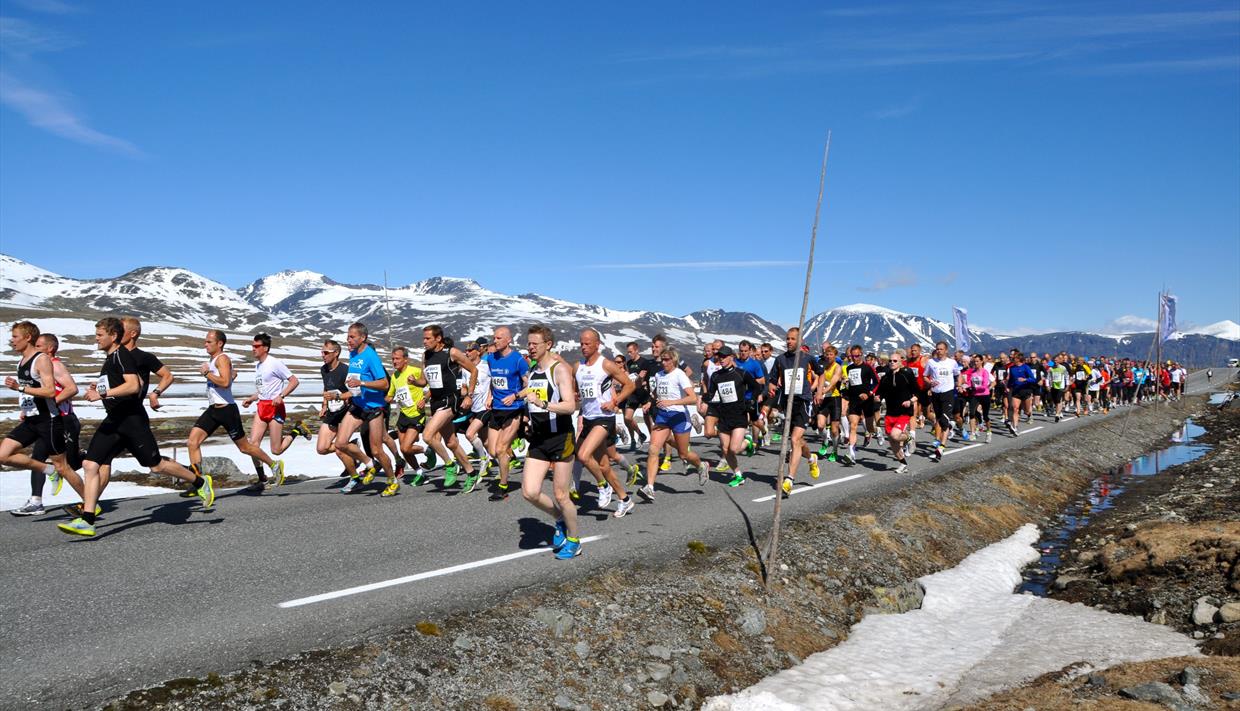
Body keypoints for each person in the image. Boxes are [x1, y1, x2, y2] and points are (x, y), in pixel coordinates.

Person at [58, 317, 214, 537]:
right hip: (114, 420)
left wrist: (103, 394)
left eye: (100, 335)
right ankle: (88, 519)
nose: (96, 339)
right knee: (90, 464)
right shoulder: (112, 357)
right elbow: (120, 383)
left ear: (113, 336)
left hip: (132, 421)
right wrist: (100, 387)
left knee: (156, 466)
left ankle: (199, 481)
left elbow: (134, 386)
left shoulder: (122, 356)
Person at [186, 330, 285, 489]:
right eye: (205, 342)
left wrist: (207, 373)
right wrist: (229, 375)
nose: (205, 344)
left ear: (220, 344)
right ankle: (199, 483)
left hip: (226, 411)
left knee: (245, 448)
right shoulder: (214, 360)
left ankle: (273, 464)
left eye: (209, 342)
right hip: (213, 410)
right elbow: (227, 379)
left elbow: (224, 383)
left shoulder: (222, 358)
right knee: (192, 442)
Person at [518, 325, 583, 559]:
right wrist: (527, 416)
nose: (531, 347)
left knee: (561, 495)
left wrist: (543, 404)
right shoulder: (533, 371)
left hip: (560, 437)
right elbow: (531, 399)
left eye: (535, 344)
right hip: (539, 437)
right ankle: (559, 519)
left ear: (548, 345)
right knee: (530, 492)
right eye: (529, 343)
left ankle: (574, 540)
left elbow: (570, 406)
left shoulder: (559, 370)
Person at [1, 322, 79, 516]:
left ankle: (90, 504)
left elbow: (63, 390)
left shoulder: (48, 362)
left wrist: (26, 392)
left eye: (15, 336)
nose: (12, 340)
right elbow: (31, 391)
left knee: (64, 466)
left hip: (55, 419)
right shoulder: (24, 361)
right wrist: (27, 406)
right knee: (13, 456)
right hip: (34, 418)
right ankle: (42, 487)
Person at [573, 328, 638, 516]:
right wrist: (576, 395)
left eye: (587, 343)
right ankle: (625, 500)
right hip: (588, 418)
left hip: (604, 418)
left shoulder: (606, 365)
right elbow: (577, 390)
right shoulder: (577, 367)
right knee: (603, 465)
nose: (583, 347)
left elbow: (629, 385)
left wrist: (615, 402)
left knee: (583, 455)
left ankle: (603, 486)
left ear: (597, 344)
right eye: (581, 343)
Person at [414, 325, 477, 488]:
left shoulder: (452, 352)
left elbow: (473, 370)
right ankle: (471, 473)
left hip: (450, 400)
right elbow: (424, 381)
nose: (424, 341)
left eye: (428, 338)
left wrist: (469, 395)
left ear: (438, 338)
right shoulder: (426, 355)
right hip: (435, 402)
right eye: (423, 338)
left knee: (428, 436)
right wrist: (415, 382)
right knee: (451, 443)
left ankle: (450, 465)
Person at [640, 346, 706, 501]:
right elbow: (656, 392)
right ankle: (650, 487)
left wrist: (672, 402)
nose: (663, 362)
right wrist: (649, 402)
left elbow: (692, 398)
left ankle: (701, 465)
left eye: (666, 360)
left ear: (674, 360)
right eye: (662, 360)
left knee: (683, 454)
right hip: (663, 416)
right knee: (653, 449)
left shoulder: (679, 375)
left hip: (679, 417)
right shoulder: (659, 375)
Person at [335, 323, 394, 495]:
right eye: (348, 336)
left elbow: (384, 384)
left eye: (352, 337)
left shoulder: (371, 356)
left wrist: (361, 383)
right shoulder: (353, 354)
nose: (348, 340)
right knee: (340, 443)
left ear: (363, 338)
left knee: (377, 450)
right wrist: (347, 392)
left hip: (373, 408)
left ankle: (392, 480)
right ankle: (370, 463)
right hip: (358, 405)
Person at [241, 333, 302, 488]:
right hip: (262, 406)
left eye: (256, 346)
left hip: (275, 408)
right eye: (252, 346)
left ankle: (297, 431)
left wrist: (281, 395)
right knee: (252, 445)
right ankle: (263, 479)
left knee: (276, 450)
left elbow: (294, 381)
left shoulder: (274, 363)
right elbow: (263, 391)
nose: (253, 349)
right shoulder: (258, 366)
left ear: (265, 348)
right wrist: (251, 398)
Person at [766, 328, 820, 492]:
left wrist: (818, 392)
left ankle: (789, 479)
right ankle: (811, 458)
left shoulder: (808, 358)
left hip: (803, 401)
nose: (789, 341)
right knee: (798, 440)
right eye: (787, 339)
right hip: (788, 403)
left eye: (792, 339)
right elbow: (772, 379)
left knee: (795, 440)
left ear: (800, 340)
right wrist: (771, 387)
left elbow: (821, 373)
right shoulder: (780, 359)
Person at [705, 345, 761, 487]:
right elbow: (711, 394)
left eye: (724, 356)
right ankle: (738, 475)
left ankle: (748, 441)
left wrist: (752, 399)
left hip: (739, 415)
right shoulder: (716, 376)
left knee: (734, 449)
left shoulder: (741, 373)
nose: (721, 359)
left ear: (731, 357)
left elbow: (756, 387)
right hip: (724, 416)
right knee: (725, 449)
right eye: (719, 357)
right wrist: (706, 400)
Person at [484, 326, 529, 501]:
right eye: (494, 338)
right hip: (496, 410)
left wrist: (515, 396)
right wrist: (489, 396)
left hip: (513, 409)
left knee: (501, 449)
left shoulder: (518, 360)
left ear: (508, 340)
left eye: (499, 338)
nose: (495, 341)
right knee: (492, 450)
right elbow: (493, 381)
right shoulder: (491, 358)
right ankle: (511, 457)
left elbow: (529, 386)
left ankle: (503, 487)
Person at [386, 346, 430, 485]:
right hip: (403, 415)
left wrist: (425, 399)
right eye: (393, 359)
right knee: (404, 450)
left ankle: (427, 450)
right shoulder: (394, 376)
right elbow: (390, 395)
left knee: (406, 447)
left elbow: (432, 387)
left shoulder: (415, 371)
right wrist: (384, 399)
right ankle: (420, 473)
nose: (394, 361)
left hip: (416, 414)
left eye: (397, 358)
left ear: (406, 359)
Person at [876, 350, 918, 474]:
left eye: (895, 361)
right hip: (890, 412)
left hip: (903, 412)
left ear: (901, 362)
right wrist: (877, 397)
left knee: (895, 435)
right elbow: (880, 393)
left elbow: (917, 392)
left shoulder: (906, 374)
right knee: (892, 440)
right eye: (890, 361)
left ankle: (909, 438)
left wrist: (910, 401)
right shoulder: (886, 377)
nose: (892, 362)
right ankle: (903, 463)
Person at [923, 341, 962, 463]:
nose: (939, 351)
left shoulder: (952, 362)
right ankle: (948, 429)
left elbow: (958, 375)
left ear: (946, 350)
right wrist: (930, 382)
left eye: (941, 349)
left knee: (944, 420)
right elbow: (925, 376)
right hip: (936, 394)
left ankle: (941, 447)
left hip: (948, 393)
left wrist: (959, 385)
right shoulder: (931, 362)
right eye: (937, 349)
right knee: (939, 419)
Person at [621, 342, 656, 453]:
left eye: (631, 352)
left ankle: (653, 442)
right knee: (627, 418)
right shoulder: (629, 363)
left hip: (644, 393)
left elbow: (647, 379)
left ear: (637, 350)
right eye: (628, 352)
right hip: (633, 394)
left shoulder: (644, 362)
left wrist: (642, 382)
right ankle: (641, 434)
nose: (629, 354)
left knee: (647, 419)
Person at [1005, 352, 1038, 435]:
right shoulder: (1012, 368)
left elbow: (1033, 379)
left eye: (1015, 358)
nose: (1013, 358)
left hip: (1026, 390)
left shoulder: (1025, 367)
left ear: (1019, 359)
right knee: (1015, 409)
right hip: (1016, 391)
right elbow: (1011, 379)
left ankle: (1029, 415)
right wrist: (1008, 387)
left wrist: (1025, 379)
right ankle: (1014, 427)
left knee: (1027, 411)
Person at [962, 354, 992, 443]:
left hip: (984, 395)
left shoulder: (985, 372)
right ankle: (973, 433)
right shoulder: (973, 372)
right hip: (975, 395)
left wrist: (975, 388)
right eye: (974, 361)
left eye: (977, 361)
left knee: (985, 416)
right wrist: (964, 386)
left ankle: (989, 432)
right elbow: (969, 383)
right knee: (972, 413)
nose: (976, 363)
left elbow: (985, 385)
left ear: (982, 361)